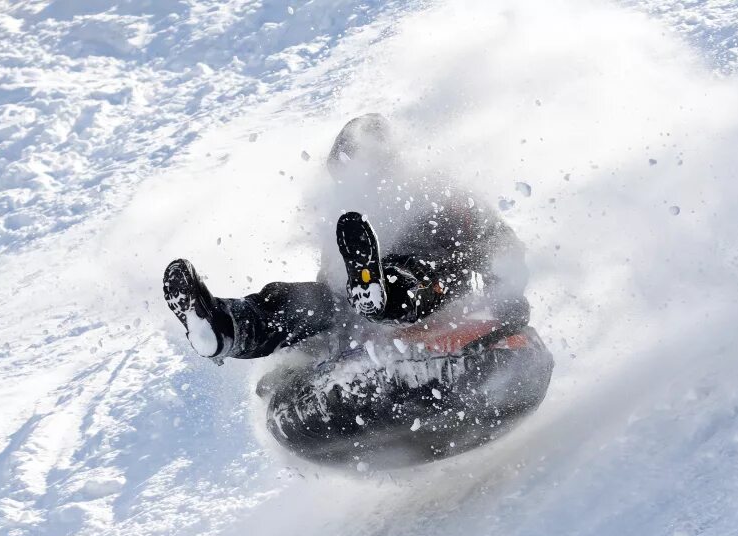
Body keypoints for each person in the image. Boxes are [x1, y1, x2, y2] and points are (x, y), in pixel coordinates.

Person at [163, 113, 530, 364]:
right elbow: (334, 291)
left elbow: (501, 246)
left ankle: (382, 293)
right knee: (305, 301)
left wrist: (508, 297)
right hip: (363, 313)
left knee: (414, 272)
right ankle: (226, 326)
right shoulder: (353, 220)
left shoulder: (439, 193)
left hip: (443, 295)